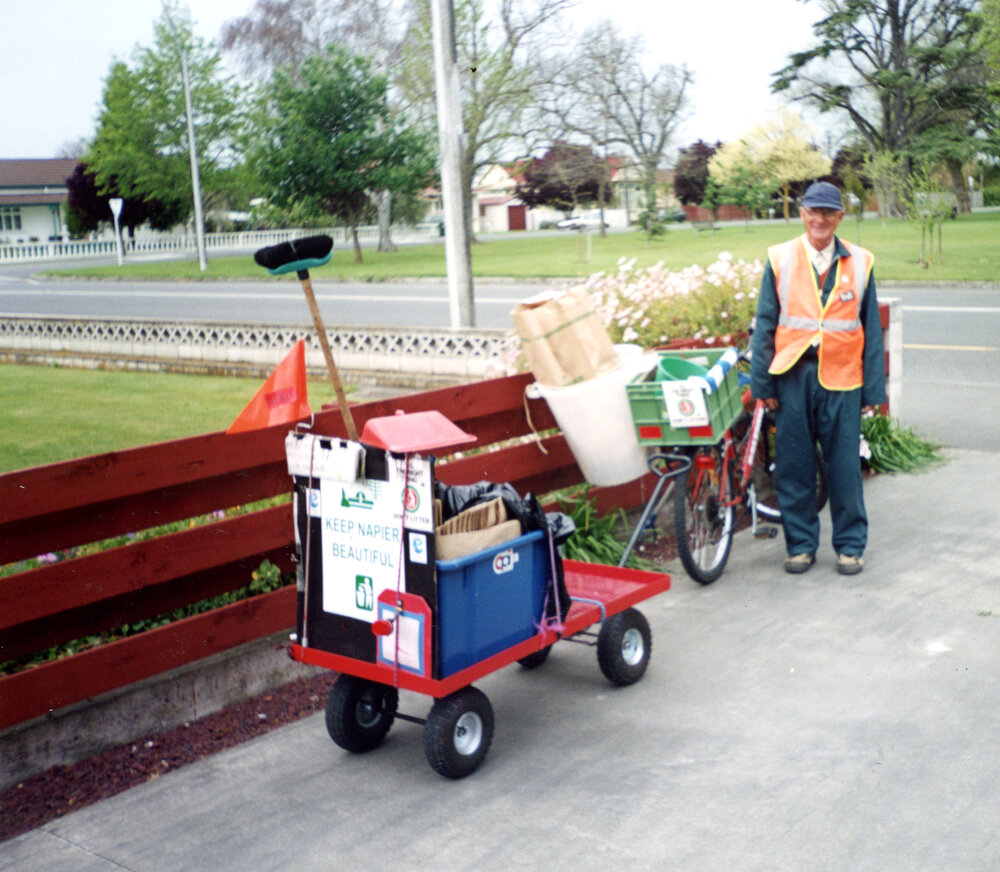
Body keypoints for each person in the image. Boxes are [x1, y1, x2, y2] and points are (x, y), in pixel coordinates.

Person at [750, 181, 886, 576]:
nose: (820, 220)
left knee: (844, 466)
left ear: (840, 217)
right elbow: (765, 325)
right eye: (813, 211)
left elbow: (870, 331)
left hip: (843, 379)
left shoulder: (861, 261)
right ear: (802, 214)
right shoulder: (780, 258)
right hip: (792, 376)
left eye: (828, 213)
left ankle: (849, 546)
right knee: (794, 466)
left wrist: (872, 389)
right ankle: (801, 546)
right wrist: (764, 385)